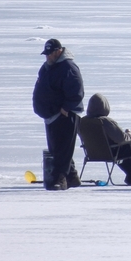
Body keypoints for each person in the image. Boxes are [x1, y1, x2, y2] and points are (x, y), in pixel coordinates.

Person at [32, 39, 84, 191]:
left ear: (58, 51)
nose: (47, 57)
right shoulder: (48, 68)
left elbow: (77, 90)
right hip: (51, 114)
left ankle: (59, 179)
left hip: (65, 115)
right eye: (46, 54)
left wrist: (66, 108)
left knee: (62, 149)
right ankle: (72, 177)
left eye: (50, 53)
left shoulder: (68, 67)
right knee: (57, 148)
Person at [86, 93, 131, 186]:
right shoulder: (105, 121)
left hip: (93, 153)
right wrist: (129, 134)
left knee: (126, 151)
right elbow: (121, 139)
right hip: (111, 152)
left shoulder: (84, 122)